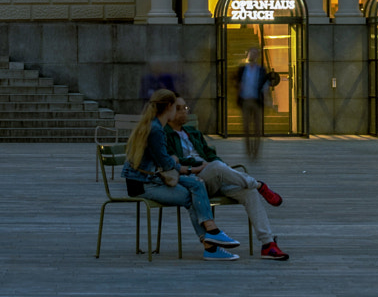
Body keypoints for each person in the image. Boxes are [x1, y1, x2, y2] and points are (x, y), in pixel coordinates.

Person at [123, 88, 242, 260]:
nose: (181, 111)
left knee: (197, 183)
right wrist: (183, 165)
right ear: (169, 107)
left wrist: (180, 165)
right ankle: (211, 244)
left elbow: (164, 161)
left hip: (153, 178)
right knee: (189, 196)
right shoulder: (156, 129)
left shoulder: (156, 125)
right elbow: (165, 163)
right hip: (142, 183)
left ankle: (212, 232)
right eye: (177, 108)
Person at [166, 96, 289, 261]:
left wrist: (214, 164)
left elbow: (210, 154)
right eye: (179, 108)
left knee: (248, 192)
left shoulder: (193, 133)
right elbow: (175, 161)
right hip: (194, 181)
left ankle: (267, 244)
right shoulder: (165, 135)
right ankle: (259, 185)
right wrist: (205, 165)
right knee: (217, 167)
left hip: (214, 176)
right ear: (169, 111)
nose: (183, 112)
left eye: (185, 108)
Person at [234, 52, 275, 162]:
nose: (252, 57)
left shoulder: (261, 70)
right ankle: (248, 151)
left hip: (257, 102)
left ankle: (255, 152)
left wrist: (268, 101)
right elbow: (237, 83)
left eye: (254, 55)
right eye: (250, 54)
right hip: (246, 101)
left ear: (257, 57)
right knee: (246, 128)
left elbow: (265, 86)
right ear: (247, 56)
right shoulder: (243, 69)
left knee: (257, 128)